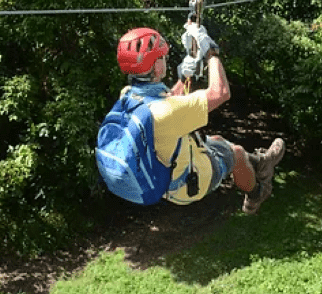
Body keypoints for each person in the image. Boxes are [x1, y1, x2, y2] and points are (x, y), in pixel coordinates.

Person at [114, 25, 285, 214]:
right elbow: (220, 93)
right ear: (156, 66)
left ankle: (261, 163)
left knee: (219, 140)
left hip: (165, 173)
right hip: (188, 182)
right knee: (236, 154)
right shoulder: (166, 113)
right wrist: (210, 52)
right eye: (162, 57)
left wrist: (185, 75)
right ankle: (256, 193)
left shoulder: (129, 95)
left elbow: (166, 100)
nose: (165, 59)